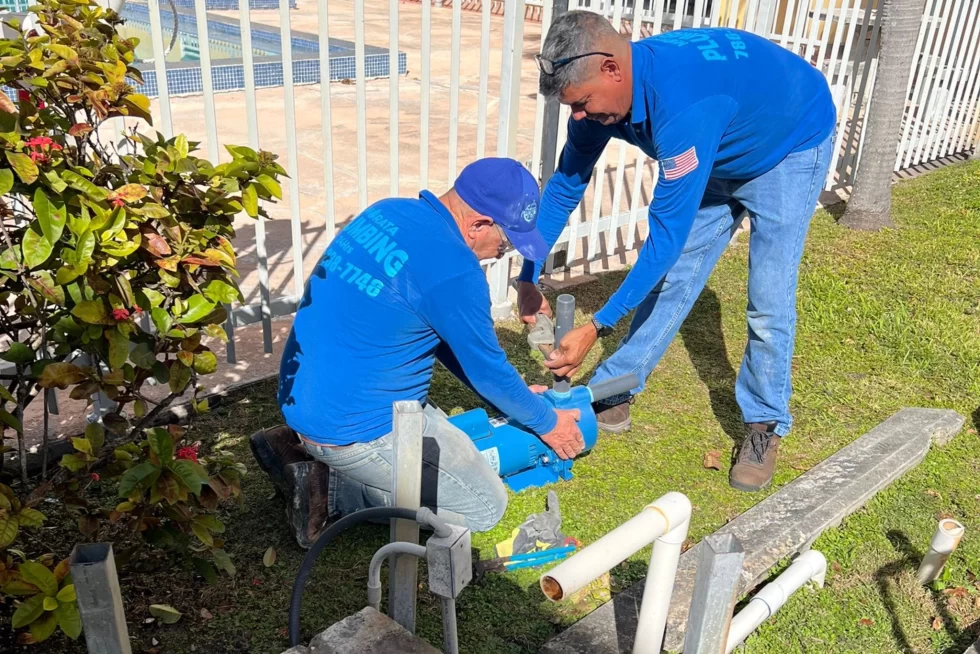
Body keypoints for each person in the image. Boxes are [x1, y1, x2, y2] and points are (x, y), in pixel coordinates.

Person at [517, 12, 837, 492]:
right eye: (571, 107)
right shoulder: (597, 103)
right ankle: (618, 385)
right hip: (721, 143)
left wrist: (597, 324)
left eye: (582, 103)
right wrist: (527, 275)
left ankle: (764, 424)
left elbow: (664, 237)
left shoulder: (682, 108)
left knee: (768, 300)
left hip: (789, 146)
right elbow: (565, 186)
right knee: (675, 276)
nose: (578, 117)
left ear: (612, 68)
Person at [251, 158, 584, 548]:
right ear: (478, 224)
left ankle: (292, 442)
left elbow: (444, 339)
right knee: (484, 506)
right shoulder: (455, 270)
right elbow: (488, 370)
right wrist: (548, 422)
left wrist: (521, 401)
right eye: (506, 242)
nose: (500, 253)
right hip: (354, 427)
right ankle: (327, 488)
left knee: (453, 448)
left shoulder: (388, 212)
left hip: (309, 398)